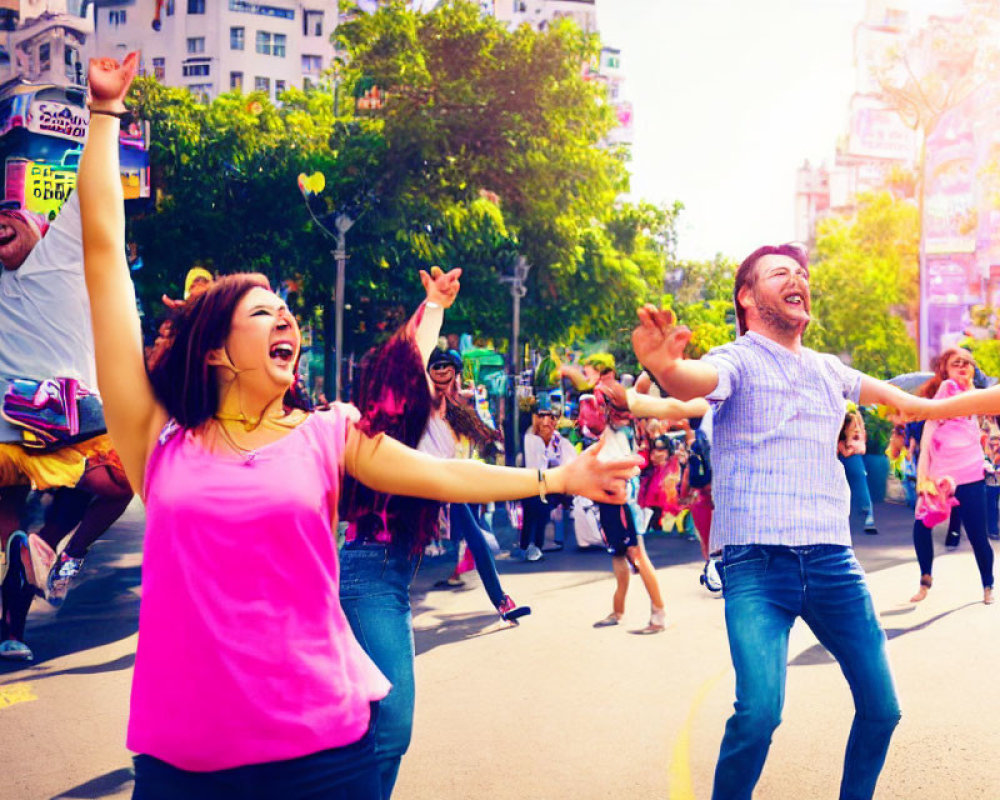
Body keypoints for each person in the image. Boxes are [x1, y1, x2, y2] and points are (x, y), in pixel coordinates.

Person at [80, 54, 639, 799]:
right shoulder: (159, 444)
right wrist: (104, 115)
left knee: (394, 724)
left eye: (286, 309)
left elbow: (441, 473)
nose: (285, 315)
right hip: (182, 769)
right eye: (260, 310)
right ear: (215, 350)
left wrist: (558, 477)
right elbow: (102, 256)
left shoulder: (325, 434)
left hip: (323, 758)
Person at [631, 242, 934, 800]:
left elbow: (919, 407)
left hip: (832, 563)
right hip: (756, 566)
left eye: (801, 272)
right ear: (747, 297)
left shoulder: (828, 370)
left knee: (883, 709)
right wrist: (664, 365)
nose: (798, 279)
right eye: (780, 273)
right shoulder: (736, 359)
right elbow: (690, 381)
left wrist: (975, 400)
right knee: (759, 715)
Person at [909, 348, 994, 605]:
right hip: (939, 477)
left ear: (973, 369)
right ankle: (925, 579)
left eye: (967, 363)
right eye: (956, 363)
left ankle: (988, 585)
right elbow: (926, 441)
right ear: (946, 368)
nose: (962, 367)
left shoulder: (977, 398)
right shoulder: (945, 390)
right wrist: (923, 478)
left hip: (969, 475)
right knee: (921, 525)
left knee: (978, 534)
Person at [520, 395, 577, 560]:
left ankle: (535, 546)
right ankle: (528, 547)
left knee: (541, 514)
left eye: (550, 417)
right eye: (542, 416)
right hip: (531, 483)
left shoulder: (557, 438)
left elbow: (567, 456)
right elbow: (535, 462)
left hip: (547, 484)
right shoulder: (530, 437)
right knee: (531, 515)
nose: (547, 421)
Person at [837, 409, 878, 534]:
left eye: (858, 425)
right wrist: (849, 443)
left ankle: (868, 517)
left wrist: (851, 446)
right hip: (844, 466)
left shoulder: (859, 438)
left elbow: (861, 449)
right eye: (853, 426)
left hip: (856, 468)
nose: (856, 429)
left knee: (862, 489)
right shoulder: (842, 441)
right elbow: (844, 451)